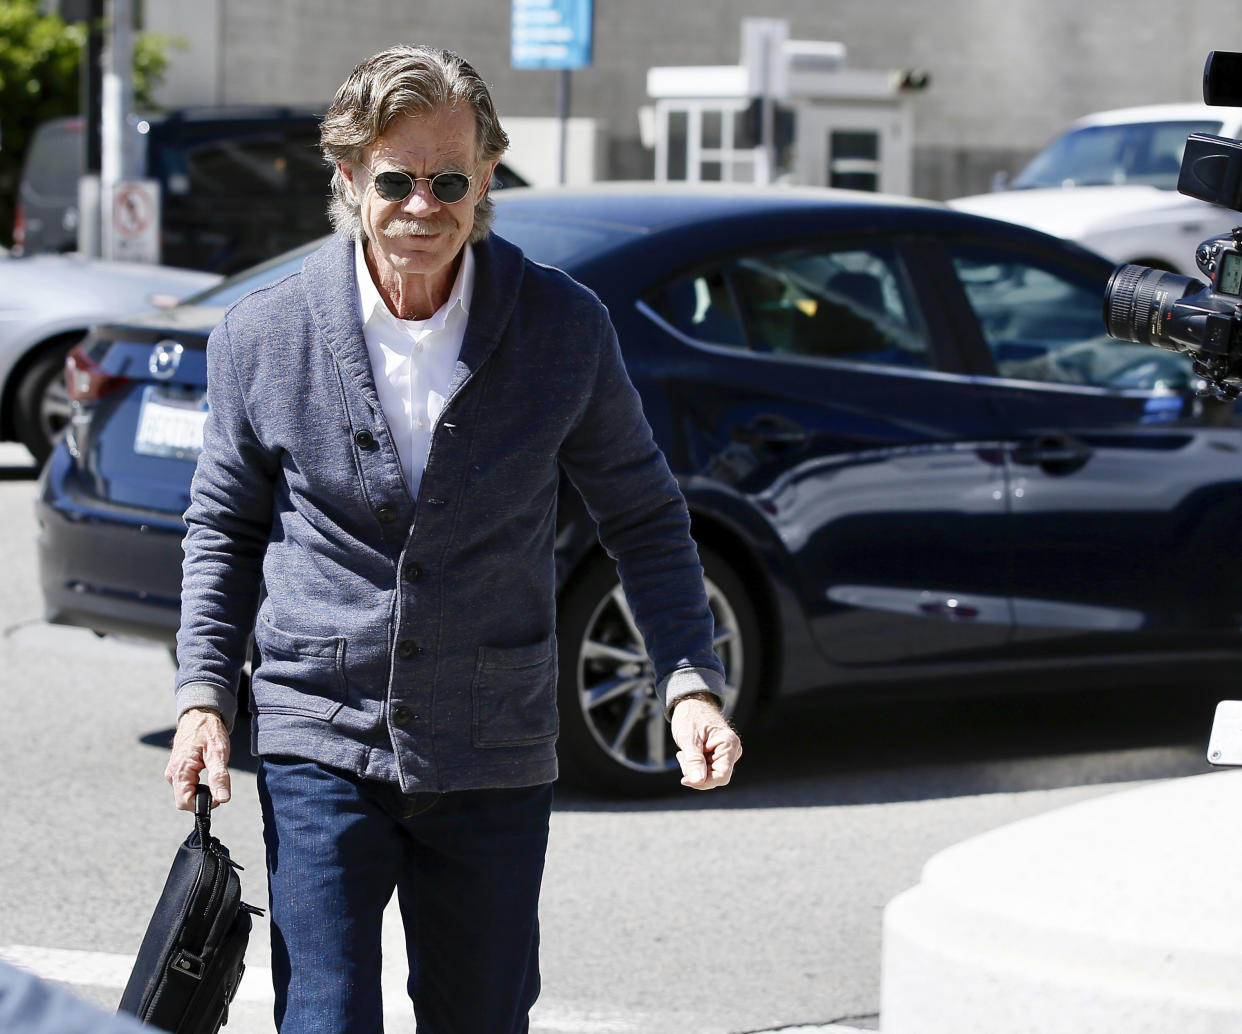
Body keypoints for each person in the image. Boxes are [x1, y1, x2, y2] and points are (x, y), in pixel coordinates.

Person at [164, 43, 742, 1034]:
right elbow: (222, 525)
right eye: (396, 179)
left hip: (494, 746)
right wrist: (203, 694)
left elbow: (643, 514)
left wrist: (687, 677)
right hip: (323, 733)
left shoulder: (564, 329)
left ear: (483, 180)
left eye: (450, 180)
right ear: (349, 179)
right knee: (326, 1015)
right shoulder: (263, 336)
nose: (423, 205)